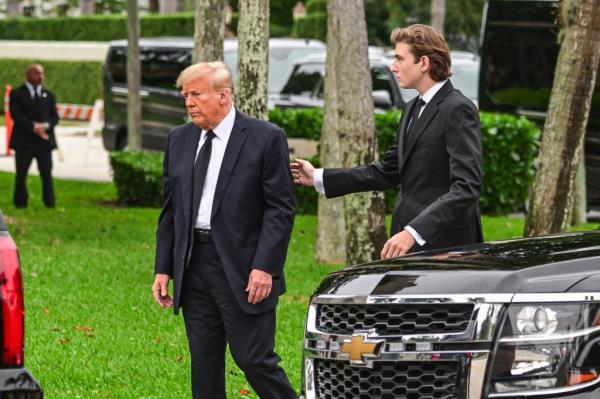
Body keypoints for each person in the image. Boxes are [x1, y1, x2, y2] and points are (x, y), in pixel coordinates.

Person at [152, 62, 297, 399]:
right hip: (193, 265)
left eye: (196, 94)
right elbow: (170, 210)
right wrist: (163, 268)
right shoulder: (178, 139)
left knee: (253, 358)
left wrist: (265, 268)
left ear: (223, 95)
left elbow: (281, 208)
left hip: (244, 267)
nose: (188, 102)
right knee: (203, 363)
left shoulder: (265, 137)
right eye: (185, 95)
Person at [292, 24, 483, 258]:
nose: (393, 67)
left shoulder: (458, 109)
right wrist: (318, 177)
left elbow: (467, 187)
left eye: (400, 59)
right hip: (406, 241)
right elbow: (387, 171)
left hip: (446, 246)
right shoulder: (411, 108)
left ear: (423, 63)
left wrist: (414, 232)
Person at [9, 64, 59, 208]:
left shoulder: (48, 95)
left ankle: (49, 202)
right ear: (28, 75)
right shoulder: (17, 94)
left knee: (46, 173)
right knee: (21, 173)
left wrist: (46, 126)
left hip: (43, 142)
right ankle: (20, 202)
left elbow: (54, 117)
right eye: (37, 73)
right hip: (24, 142)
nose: (40, 77)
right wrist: (33, 126)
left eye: (42, 74)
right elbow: (16, 114)